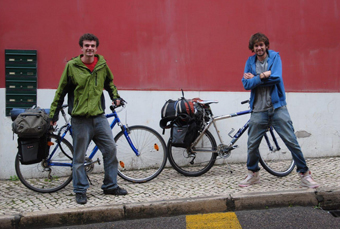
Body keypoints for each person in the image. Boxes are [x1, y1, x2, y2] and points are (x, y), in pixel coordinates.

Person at [49, 33, 127, 204]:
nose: (89, 48)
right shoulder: (72, 66)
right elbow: (60, 92)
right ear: (81, 48)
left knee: (110, 150)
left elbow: (110, 84)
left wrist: (115, 96)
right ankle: (80, 190)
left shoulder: (102, 65)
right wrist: (53, 115)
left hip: (99, 118)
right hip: (80, 120)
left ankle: (110, 186)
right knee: (79, 157)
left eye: (92, 46)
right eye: (86, 46)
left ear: (96, 48)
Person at [239, 32, 319, 188]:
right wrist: (262, 75)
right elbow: (245, 84)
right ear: (253, 48)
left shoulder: (275, 57)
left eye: (261, 44)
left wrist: (254, 78)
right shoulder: (250, 61)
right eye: (256, 45)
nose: (259, 48)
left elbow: (276, 77)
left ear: (266, 46)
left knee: (291, 141)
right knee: (252, 143)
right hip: (258, 109)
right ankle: (253, 174)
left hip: (277, 108)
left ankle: (304, 173)